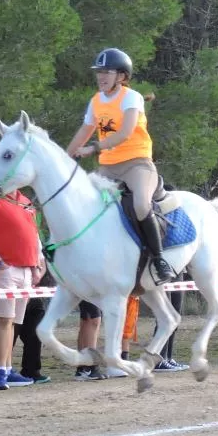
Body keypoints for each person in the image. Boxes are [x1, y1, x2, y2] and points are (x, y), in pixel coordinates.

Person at [66, 48, 174, 284]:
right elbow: (85, 131)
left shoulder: (131, 97)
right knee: (84, 206)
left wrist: (94, 148)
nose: (101, 77)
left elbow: (125, 133)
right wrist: (65, 157)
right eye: (99, 72)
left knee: (141, 205)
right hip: (108, 167)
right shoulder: (95, 101)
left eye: (107, 72)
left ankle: (159, 259)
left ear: (122, 77)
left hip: (137, 163)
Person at [0, 189, 42, 390]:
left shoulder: (26, 202)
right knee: (4, 319)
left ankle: (8, 369)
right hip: (6, 269)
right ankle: (0, 371)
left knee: (14, 322)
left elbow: (34, 235)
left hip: (26, 269)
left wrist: (37, 264)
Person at [0, 267, 53, 386]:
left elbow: (40, 258)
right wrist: (0, 262)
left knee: (25, 327)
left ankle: (27, 371)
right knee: (7, 322)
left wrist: (35, 274)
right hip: (8, 272)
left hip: (27, 279)